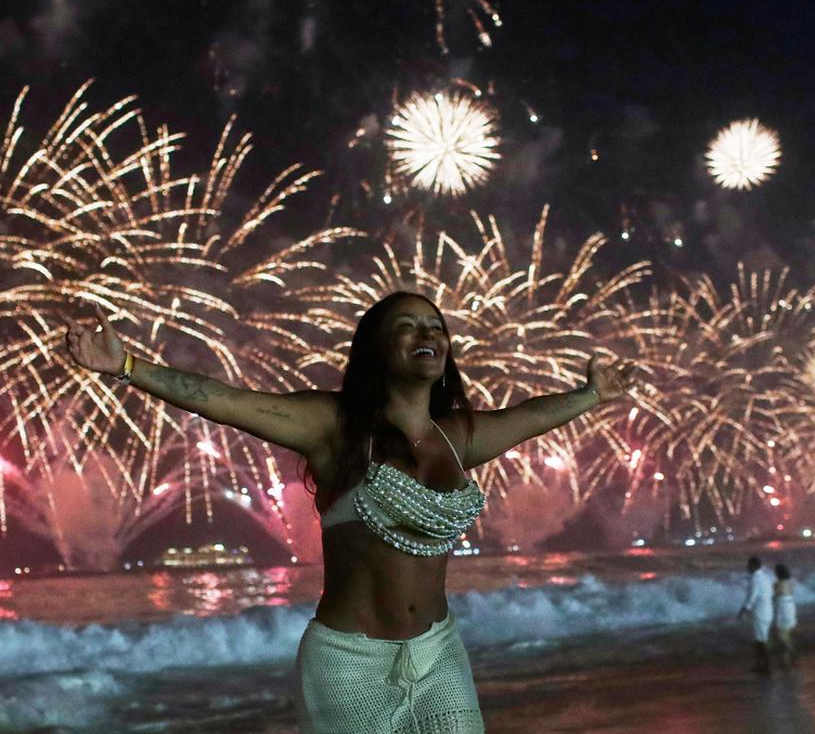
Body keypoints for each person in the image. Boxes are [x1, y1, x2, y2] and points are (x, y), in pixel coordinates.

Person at [64, 293, 637, 733]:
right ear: (376, 349)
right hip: (350, 666)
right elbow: (224, 400)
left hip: (439, 655)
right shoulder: (333, 427)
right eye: (407, 325)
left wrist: (591, 396)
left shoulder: (456, 435)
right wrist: (127, 367)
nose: (428, 333)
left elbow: (531, 415)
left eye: (436, 326)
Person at [737, 555, 774, 673]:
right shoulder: (766, 577)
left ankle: (765, 665)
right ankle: (761, 664)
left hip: (760, 612)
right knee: (762, 638)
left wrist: (744, 610)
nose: (747, 567)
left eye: (748, 565)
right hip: (768, 611)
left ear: (753, 566)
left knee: (760, 640)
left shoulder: (755, 579)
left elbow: (752, 596)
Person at [772, 563, 798, 668]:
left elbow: (773, 598)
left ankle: (793, 653)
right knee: (787, 635)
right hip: (791, 608)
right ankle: (785, 661)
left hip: (782, 611)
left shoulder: (777, 584)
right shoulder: (791, 583)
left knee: (781, 637)